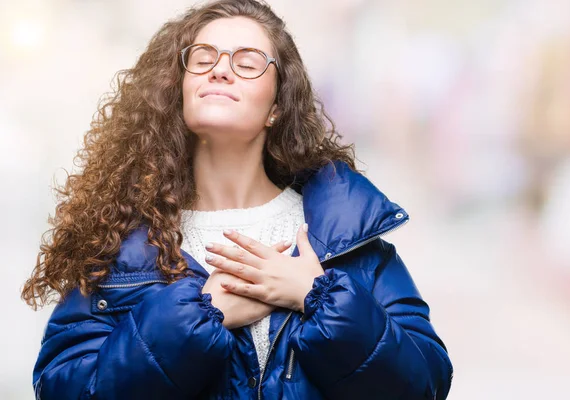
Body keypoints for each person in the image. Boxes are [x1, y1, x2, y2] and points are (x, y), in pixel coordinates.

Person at [22, 0, 453, 398]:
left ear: (277, 107)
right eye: (203, 58)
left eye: (247, 62)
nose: (220, 70)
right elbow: (66, 387)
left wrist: (318, 297)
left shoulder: (346, 235)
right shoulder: (119, 247)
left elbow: (423, 384)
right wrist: (200, 318)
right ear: (179, 92)